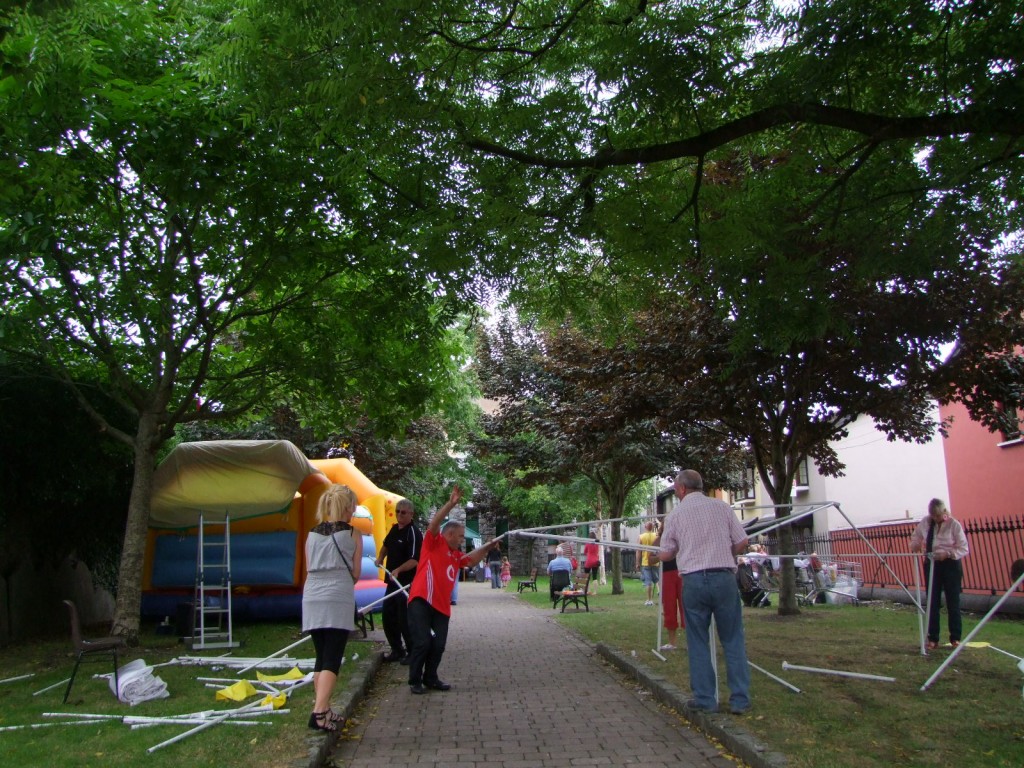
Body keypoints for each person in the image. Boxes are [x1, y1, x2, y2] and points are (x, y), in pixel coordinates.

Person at [659, 469, 751, 715]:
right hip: (723, 578)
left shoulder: (675, 515)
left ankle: (705, 699)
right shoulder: (722, 508)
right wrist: (725, 553)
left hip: (694, 581)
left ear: (680, 489)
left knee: (697, 641)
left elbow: (666, 553)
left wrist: (662, 551)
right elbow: (742, 542)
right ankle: (740, 700)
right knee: (732, 639)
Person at [406, 485, 498, 694]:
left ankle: (431, 678)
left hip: (441, 607)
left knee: (438, 645)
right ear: (448, 534)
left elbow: (470, 561)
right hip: (421, 600)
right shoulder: (433, 544)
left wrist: (487, 547)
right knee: (423, 643)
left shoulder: (455, 556)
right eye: (459, 536)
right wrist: (451, 504)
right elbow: (434, 523)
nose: (462, 539)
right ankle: (415, 681)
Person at [302, 484, 362, 731]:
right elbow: (356, 573)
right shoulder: (352, 533)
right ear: (348, 508)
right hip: (337, 595)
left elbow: (308, 567)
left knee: (321, 655)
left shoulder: (312, 533)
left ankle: (323, 707)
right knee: (332, 658)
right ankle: (318, 713)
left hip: (312, 594)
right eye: (353, 507)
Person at [910, 498, 969, 649]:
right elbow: (916, 536)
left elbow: (963, 548)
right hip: (932, 564)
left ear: (943, 512)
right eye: (933, 516)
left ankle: (955, 637)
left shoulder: (953, 524)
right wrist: (915, 545)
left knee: (952, 601)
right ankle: (933, 638)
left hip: (950, 564)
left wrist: (948, 554)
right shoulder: (926, 522)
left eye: (938, 515)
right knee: (932, 601)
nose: (935, 519)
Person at [376, 498, 421, 664]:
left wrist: (399, 569)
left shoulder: (414, 533)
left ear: (411, 514)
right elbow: (385, 545)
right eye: (397, 512)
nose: (399, 515)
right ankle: (397, 649)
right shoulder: (394, 529)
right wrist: (380, 557)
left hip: (406, 584)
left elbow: (415, 559)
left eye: (403, 512)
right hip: (392, 583)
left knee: (404, 619)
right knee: (388, 616)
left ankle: (411, 651)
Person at [639, 521, 660, 606]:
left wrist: (637, 562)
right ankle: (660, 593)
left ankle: (649, 600)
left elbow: (638, 551)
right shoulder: (656, 536)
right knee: (658, 580)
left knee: (648, 582)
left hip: (646, 562)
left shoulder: (641, 537)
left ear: (645, 527)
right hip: (655, 562)